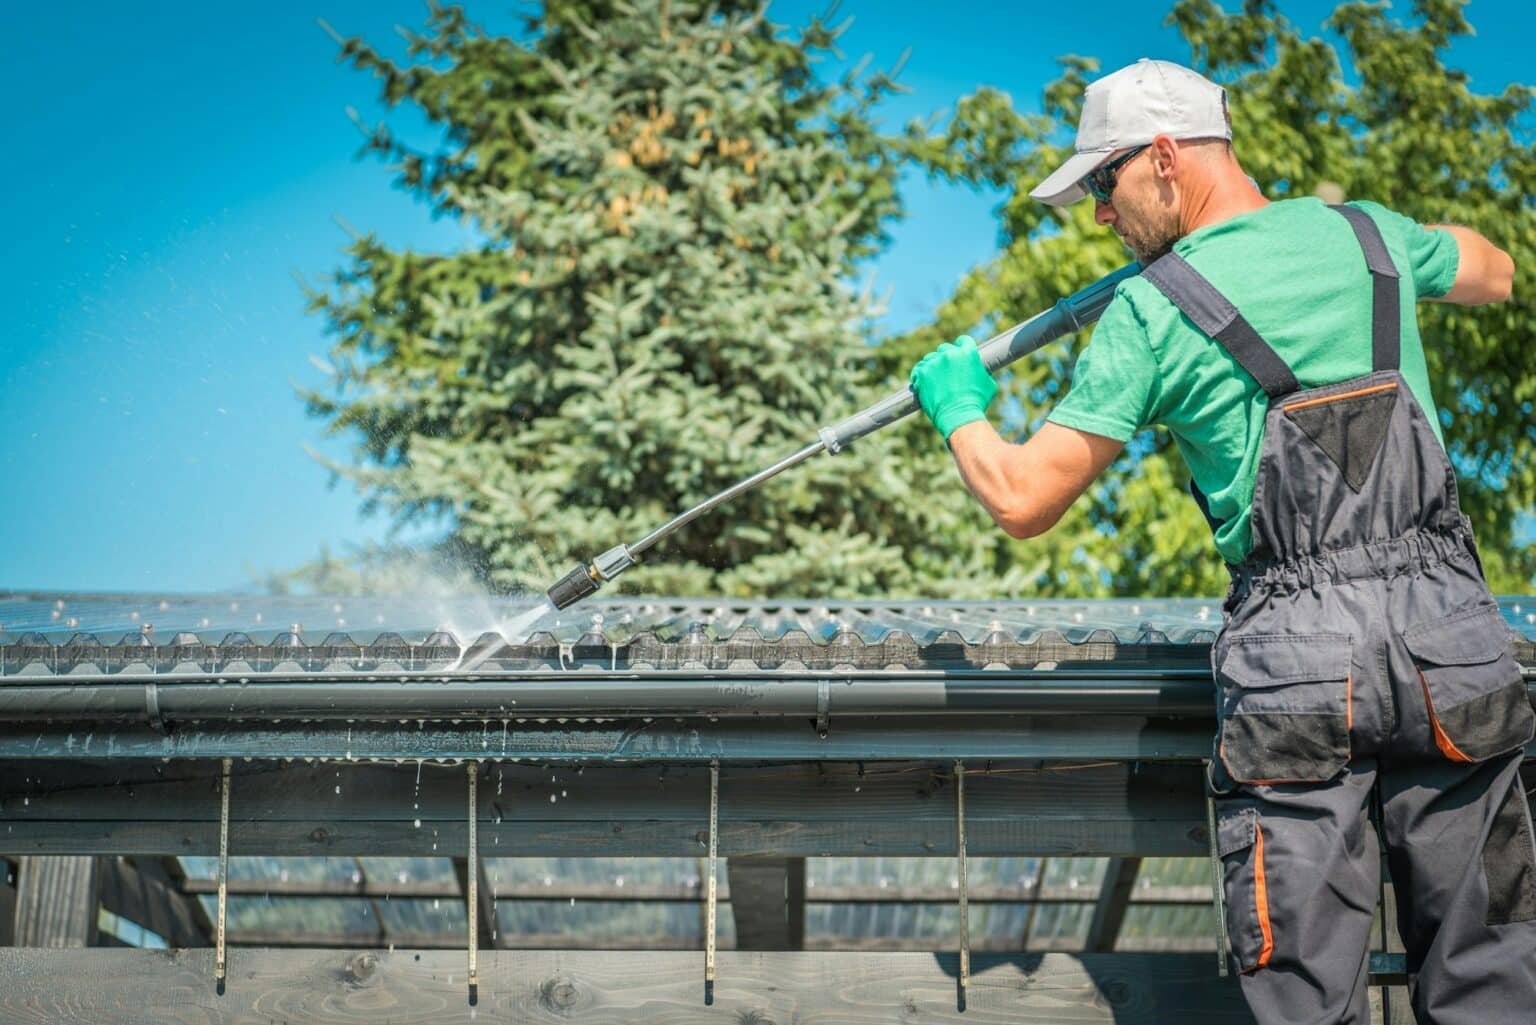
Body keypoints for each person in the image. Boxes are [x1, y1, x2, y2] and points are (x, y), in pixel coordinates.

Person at [908, 58, 1534, 1025]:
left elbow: (1022, 498)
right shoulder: (1369, 236)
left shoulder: (1153, 311)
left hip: (1299, 667)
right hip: (1451, 640)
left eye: (1103, 184)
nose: (1100, 216)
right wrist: (1379, 254)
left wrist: (959, 409)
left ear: (1165, 157)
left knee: (1298, 1001)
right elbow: (1495, 270)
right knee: (1497, 979)